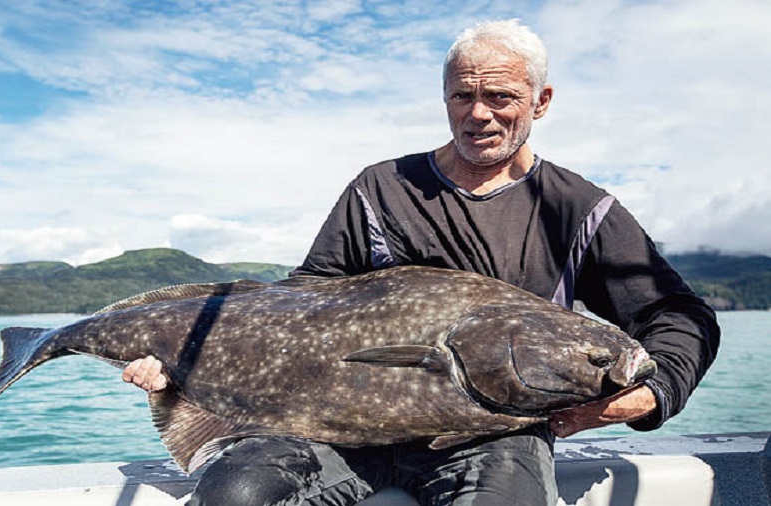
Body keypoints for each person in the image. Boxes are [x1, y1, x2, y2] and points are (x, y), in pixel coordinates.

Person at [123, 19, 720, 506]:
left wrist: (653, 393)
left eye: (500, 97)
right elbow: (303, 302)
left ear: (541, 102)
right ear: (445, 98)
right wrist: (185, 358)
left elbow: (678, 314)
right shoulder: (379, 189)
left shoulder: (580, 209)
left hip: (494, 437)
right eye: (463, 95)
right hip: (337, 428)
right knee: (237, 494)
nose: (478, 113)